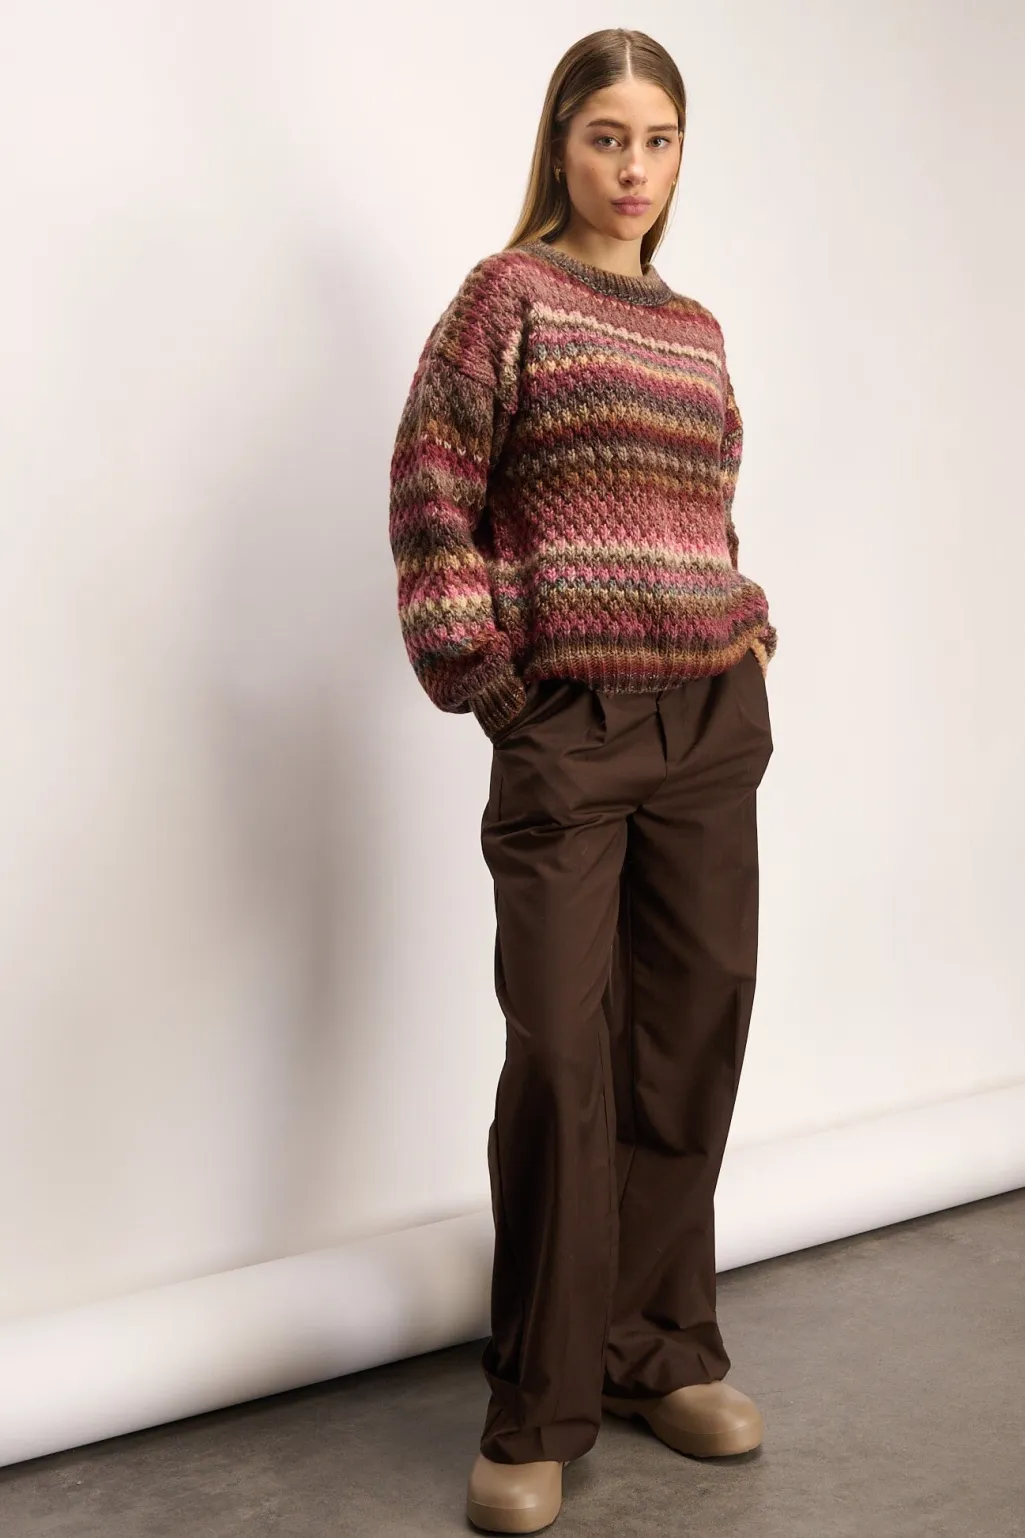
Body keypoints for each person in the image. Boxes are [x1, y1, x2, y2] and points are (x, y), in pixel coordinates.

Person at [388, 26, 776, 1535]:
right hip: (568, 720)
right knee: (560, 1055)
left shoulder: (698, 331)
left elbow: (704, 509)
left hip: (707, 721)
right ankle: (537, 1403)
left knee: (690, 1039)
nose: (635, 168)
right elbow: (432, 484)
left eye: (659, 139)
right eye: (608, 135)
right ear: (561, 142)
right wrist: (483, 675)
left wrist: (744, 625)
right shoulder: (509, 299)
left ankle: (658, 1348)